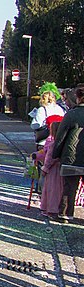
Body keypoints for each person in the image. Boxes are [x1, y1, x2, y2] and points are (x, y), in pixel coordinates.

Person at [51, 84, 84, 223]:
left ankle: (65, 214)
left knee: (69, 187)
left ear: (78, 98)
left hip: (72, 157)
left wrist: (55, 154)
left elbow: (61, 136)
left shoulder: (71, 114)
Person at [38, 122, 63, 219]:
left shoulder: (53, 144)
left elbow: (49, 158)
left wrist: (45, 169)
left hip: (52, 170)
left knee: (51, 190)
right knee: (59, 189)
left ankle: (50, 209)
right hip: (60, 169)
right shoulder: (62, 143)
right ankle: (57, 209)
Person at [31, 83, 67, 149]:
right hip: (58, 139)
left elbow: (35, 125)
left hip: (44, 141)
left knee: (41, 157)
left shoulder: (42, 109)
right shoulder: (61, 109)